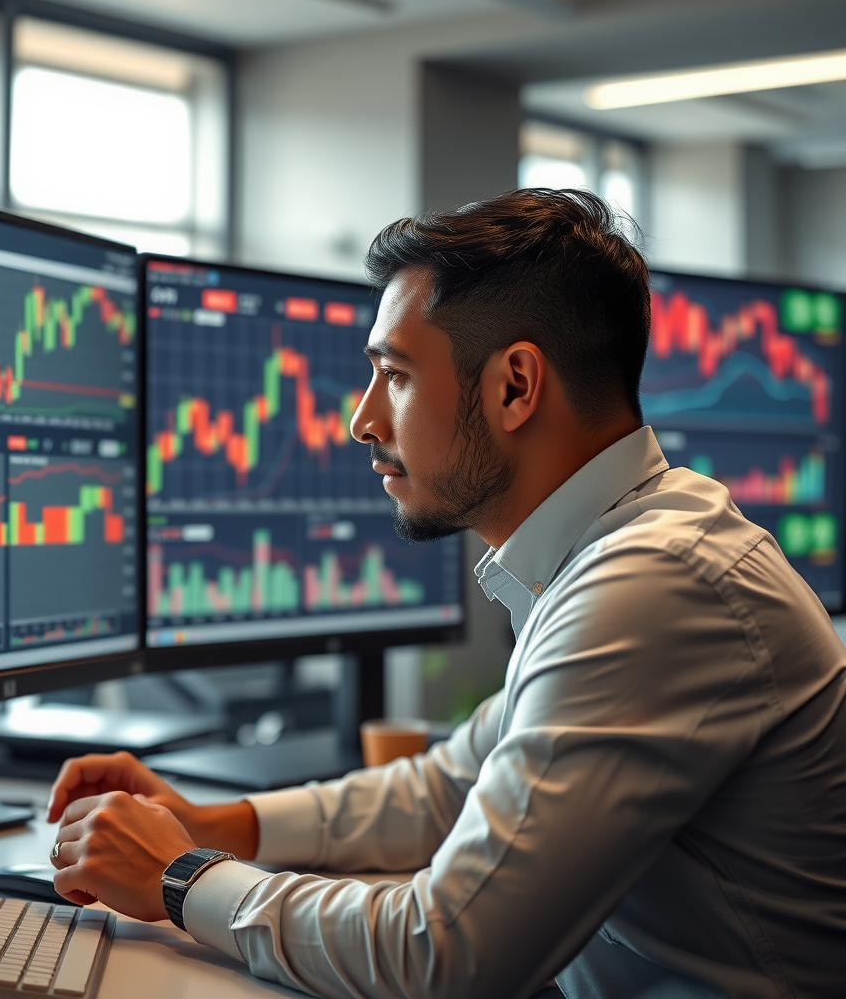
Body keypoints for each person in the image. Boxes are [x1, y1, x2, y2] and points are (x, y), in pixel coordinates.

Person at [47, 190, 846, 999]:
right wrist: (215, 826)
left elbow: (445, 955)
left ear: (514, 387)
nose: (362, 420)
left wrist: (181, 878)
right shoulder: (617, 549)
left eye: (393, 375)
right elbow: (450, 784)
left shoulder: (655, 583)